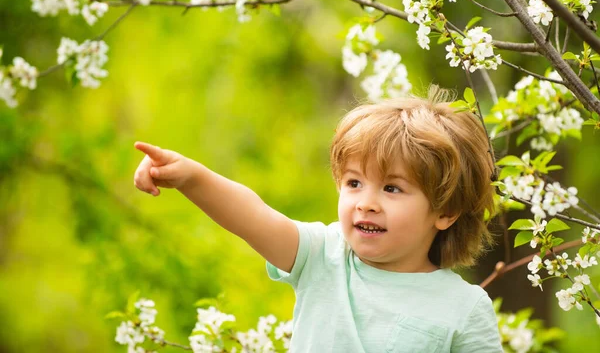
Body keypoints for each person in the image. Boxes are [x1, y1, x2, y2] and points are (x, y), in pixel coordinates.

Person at [133, 86, 503, 352]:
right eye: (354, 183)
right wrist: (192, 178)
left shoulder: (462, 307)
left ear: (446, 211)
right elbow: (252, 216)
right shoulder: (323, 257)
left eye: (392, 189)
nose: (366, 203)